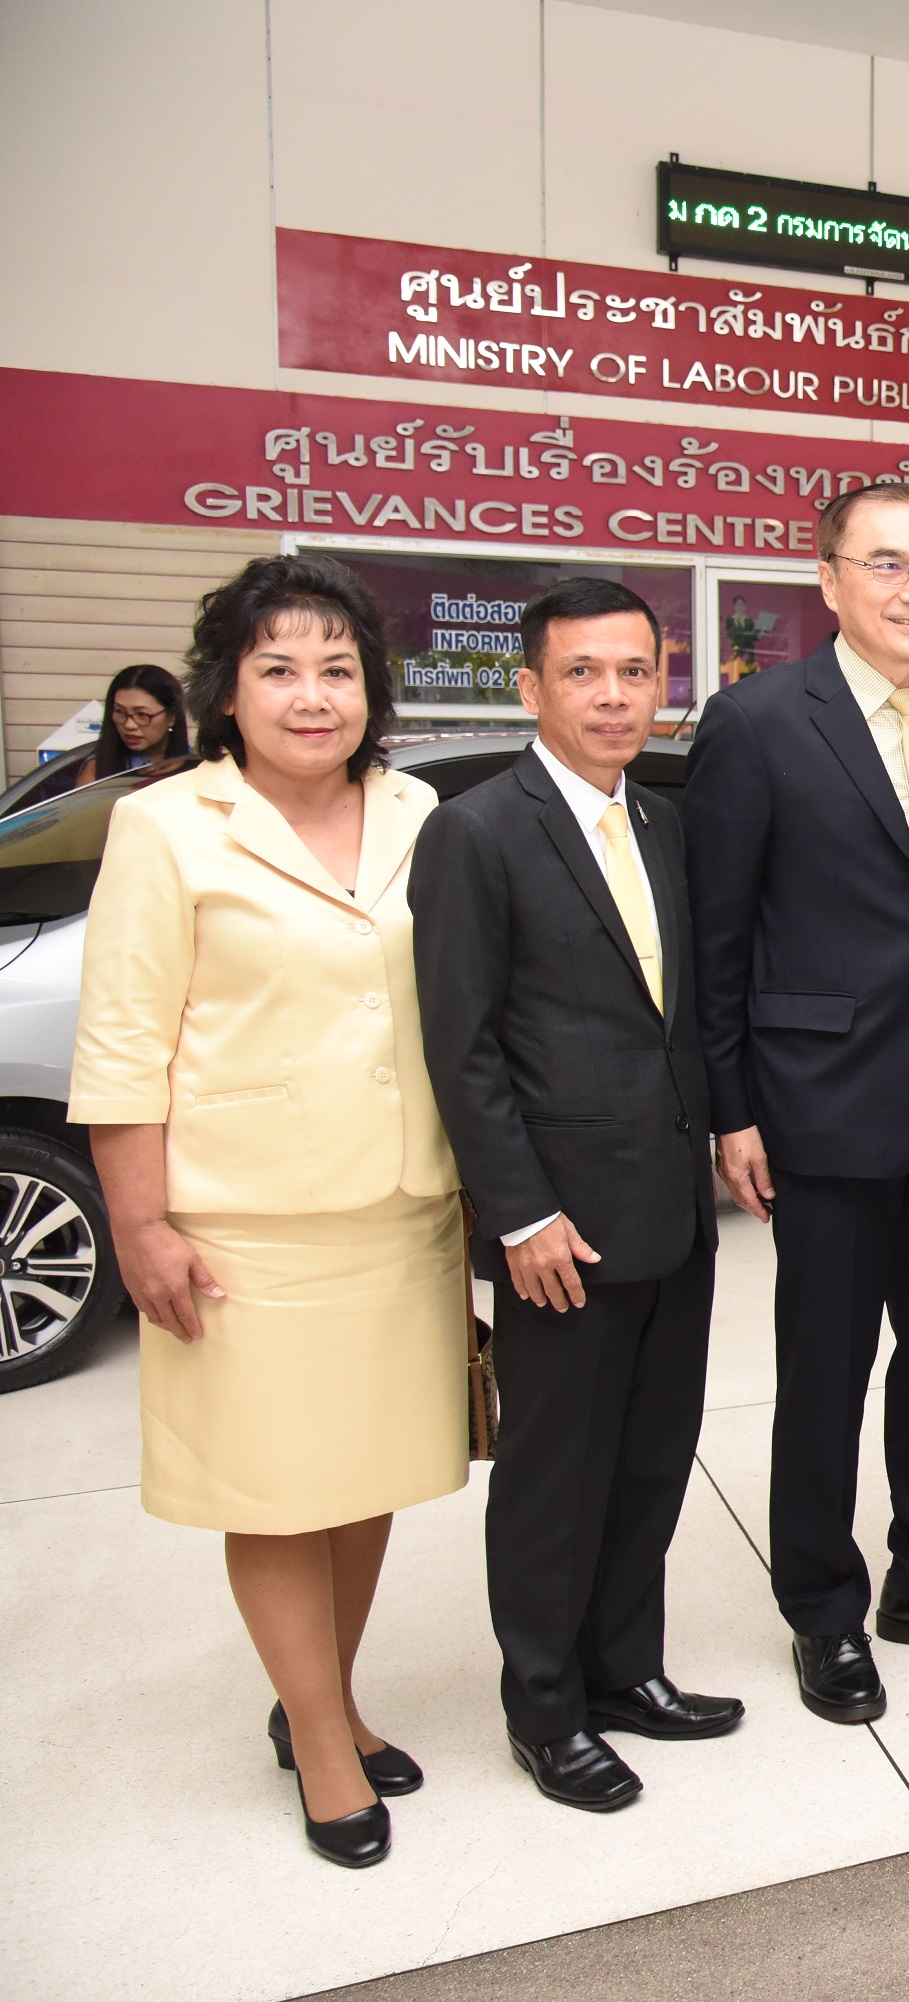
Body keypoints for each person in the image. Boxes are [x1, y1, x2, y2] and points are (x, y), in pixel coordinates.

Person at [70, 554, 462, 1868]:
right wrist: (140, 1225)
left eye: (338, 669)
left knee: (365, 1477)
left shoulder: (418, 809)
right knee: (280, 1489)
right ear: (227, 692)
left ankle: (323, 1703)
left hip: (401, 1209)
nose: (313, 695)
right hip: (245, 1224)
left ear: (372, 688)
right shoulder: (167, 824)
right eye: (279, 669)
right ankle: (324, 1745)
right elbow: (122, 1039)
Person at [683, 484, 909, 1727]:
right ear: (828, 580)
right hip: (820, 1101)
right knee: (825, 1372)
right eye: (886, 564)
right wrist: (732, 1110)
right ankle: (823, 1607)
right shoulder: (757, 721)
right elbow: (717, 937)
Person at [411, 577, 735, 1813]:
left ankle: (624, 1670)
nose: (612, 696)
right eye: (583, 673)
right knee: (556, 1476)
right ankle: (545, 1709)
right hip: (560, 1224)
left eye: (634, 672)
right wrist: (520, 1213)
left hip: (671, 1207)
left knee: (652, 1456)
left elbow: (673, 1018)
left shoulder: (662, 821)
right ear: (530, 687)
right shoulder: (478, 832)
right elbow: (463, 1047)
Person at [29, 664, 192, 804]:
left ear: (171, 717)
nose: (129, 725)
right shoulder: (98, 766)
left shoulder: (195, 766)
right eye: (120, 712)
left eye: (142, 715)